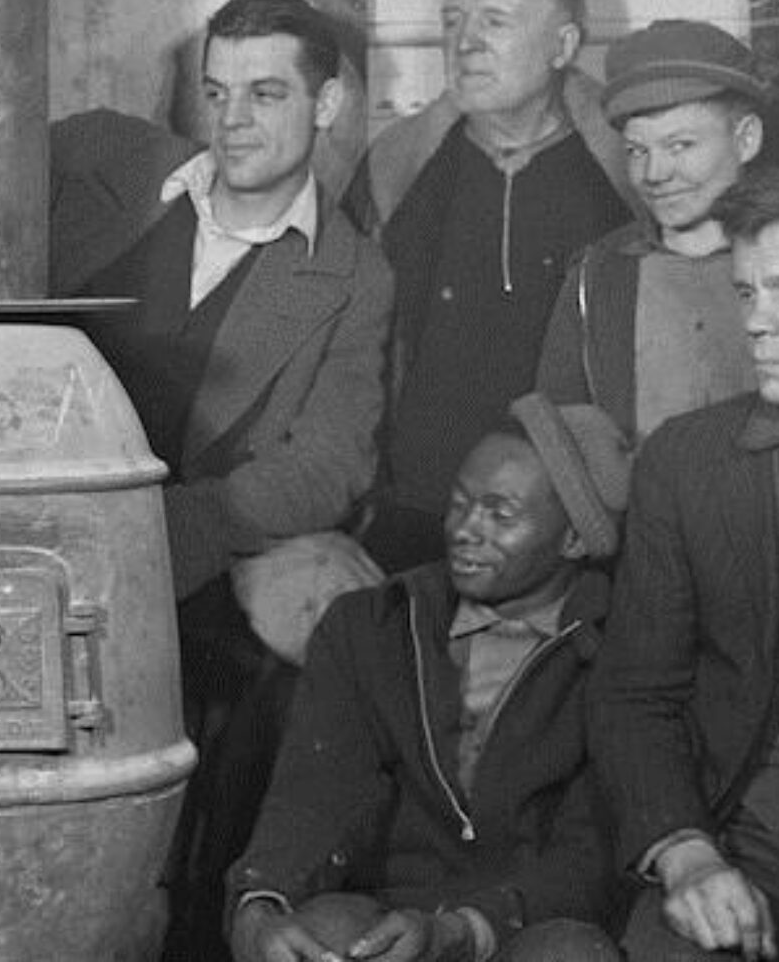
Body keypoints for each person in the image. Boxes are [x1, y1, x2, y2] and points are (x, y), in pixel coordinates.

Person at [48, 0, 393, 951]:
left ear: (327, 106)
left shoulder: (352, 275)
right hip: (27, 542)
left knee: (178, 841)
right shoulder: (104, 161)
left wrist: (170, 532)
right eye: (216, 91)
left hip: (189, 575)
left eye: (266, 94)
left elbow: (330, 463)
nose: (232, 120)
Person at [228, 393, 630, 962]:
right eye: (459, 503)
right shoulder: (374, 625)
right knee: (324, 932)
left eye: (500, 515)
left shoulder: (617, 653)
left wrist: (462, 931)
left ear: (575, 539)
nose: (465, 529)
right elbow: (312, 798)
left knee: (572, 954)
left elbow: (587, 860)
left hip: (526, 923)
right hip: (391, 924)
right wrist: (260, 905)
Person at [592, 158, 779, 960]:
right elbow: (634, 695)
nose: (757, 322)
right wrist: (686, 854)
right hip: (757, 853)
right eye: (747, 293)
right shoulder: (688, 463)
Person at [345, 0, 632, 566]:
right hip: (415, 512)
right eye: (453, 20)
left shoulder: (627, 175)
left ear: (563, 47)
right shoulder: (396, 168)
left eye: (495, 21)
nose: (465, 42)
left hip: (575, 526)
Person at [537, 19, 769, 440]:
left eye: (680, 145)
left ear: (746, 139)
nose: (654, 173)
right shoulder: (597, 276)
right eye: (636, 150)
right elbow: (563, 431)